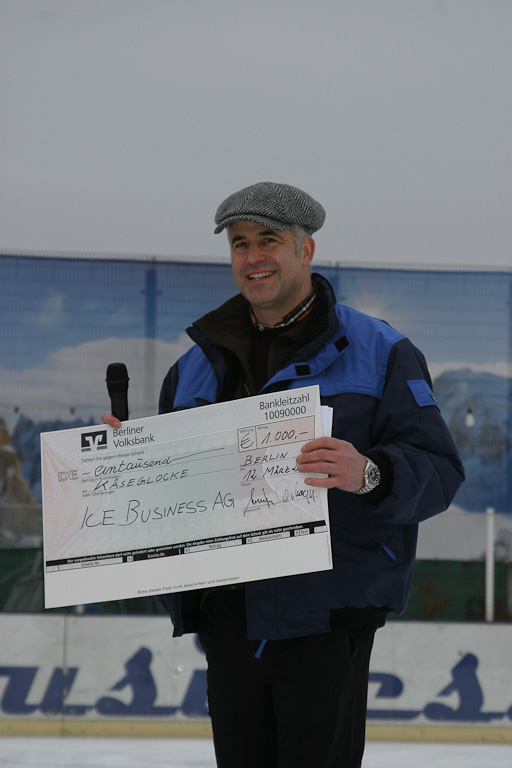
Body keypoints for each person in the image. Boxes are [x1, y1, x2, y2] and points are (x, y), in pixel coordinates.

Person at [102, 181, 464, 768]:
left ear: (306, 249)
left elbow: (441, 471)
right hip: (227, 618)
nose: (253, 257)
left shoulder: (382, 351)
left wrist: (370, 472)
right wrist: (126, 469)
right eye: (240, 243)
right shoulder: (192, 368)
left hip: (326, 618)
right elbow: (176, 496)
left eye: (268, 240)